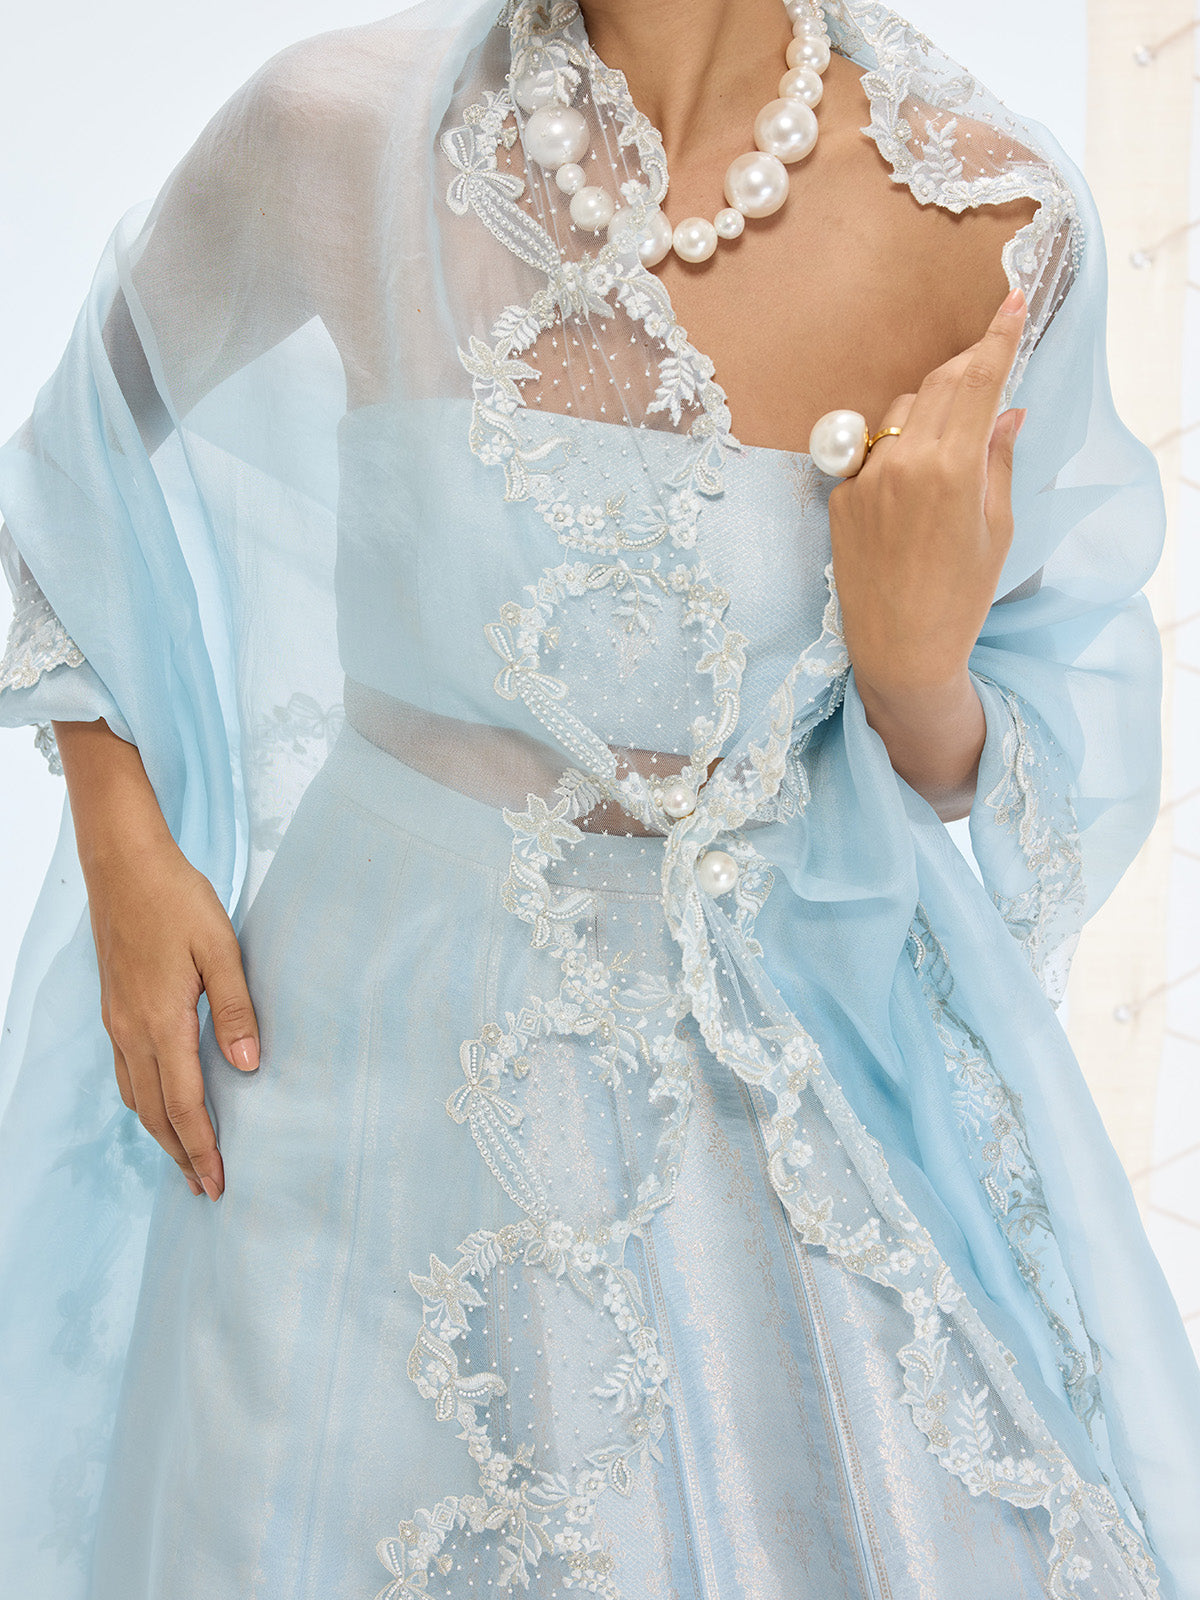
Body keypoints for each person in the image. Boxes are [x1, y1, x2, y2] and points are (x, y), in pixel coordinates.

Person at [1, 0, 1197, 1595]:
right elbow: (66, 475)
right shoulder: (335, 129)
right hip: (349, 1070)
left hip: (771, 1091)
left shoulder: (990, 219)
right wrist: (121, 838)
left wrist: (917, 669)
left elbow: (1031, 750)